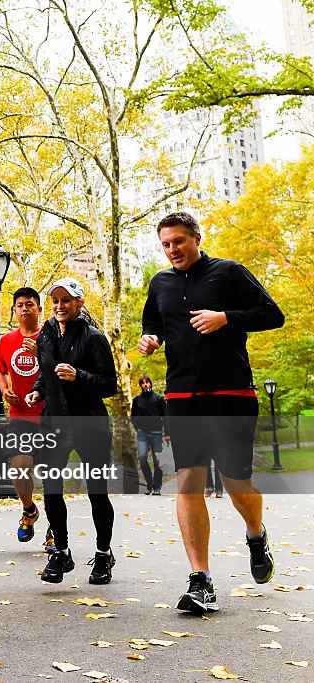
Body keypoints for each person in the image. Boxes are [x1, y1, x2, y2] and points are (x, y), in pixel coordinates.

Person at [139, 211, 284, 614]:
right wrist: (150, 339)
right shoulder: (160, 282)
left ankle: (255, 533)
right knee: (188, 480)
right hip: (183, 396)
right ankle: (200, 579)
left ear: (196, 238)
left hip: (232, 393)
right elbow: (153, 323)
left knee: (239, 483)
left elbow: (274, 315)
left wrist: (226, 318)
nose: (172, 251)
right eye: (165, 244)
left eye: (178, 242)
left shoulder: (229, 272)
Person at [25, 277, 118, 585]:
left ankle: (103, 555)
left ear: (79, 303)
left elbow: (109, 385)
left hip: (89, 421)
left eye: (66, 300)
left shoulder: (94, 338)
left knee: (97, 492)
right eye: (55, 300)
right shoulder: (46, 335)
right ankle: (60, 553)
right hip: (54, 421)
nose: (60, 306)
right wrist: (38, 391)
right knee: (51, 489)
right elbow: (46, 373)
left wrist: (79, 376)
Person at [0, 287, 49, 546]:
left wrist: (43, 354)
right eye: (20, 305)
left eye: (30, 304)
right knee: (19, 464)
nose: (25, 308)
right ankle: (29, 509)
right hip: (21, 414)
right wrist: (5, 390)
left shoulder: (50, 336)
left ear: (39, 309)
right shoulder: (6, 341)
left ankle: (55, 529)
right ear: (15, 311)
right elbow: (1, 371)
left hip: (51, 414)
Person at [131, 376, 168, 495]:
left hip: (157, 433)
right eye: (143, 383)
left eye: (147, 382)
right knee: (142, 458)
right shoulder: (137, 400)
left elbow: (166, 417)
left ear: (150, 384)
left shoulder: (158, 399)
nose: (145, 385)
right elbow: (133, 416)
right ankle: (149, 484)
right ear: (140, 385)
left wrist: (167, 433)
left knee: (158, 461)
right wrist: (138, 427)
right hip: (142, 434)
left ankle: (157, 487)